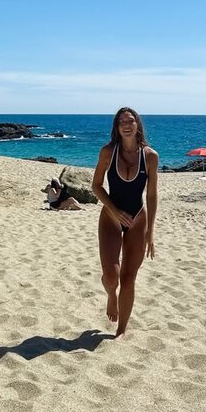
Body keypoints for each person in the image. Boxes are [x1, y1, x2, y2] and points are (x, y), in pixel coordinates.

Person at [91, 107, 159, 338]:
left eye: (130, 121)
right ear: (117, 128)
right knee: (112, 277)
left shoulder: (150, 156)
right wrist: (115, 211)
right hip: (111, 218)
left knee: (128, 279)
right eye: (122, 122)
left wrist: (150, 231)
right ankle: (111, 294)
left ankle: (120, 332)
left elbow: (152, 194)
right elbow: (96, 186)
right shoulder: (108, 152)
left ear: (137, 124)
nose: (127, 125)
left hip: (138, 219)